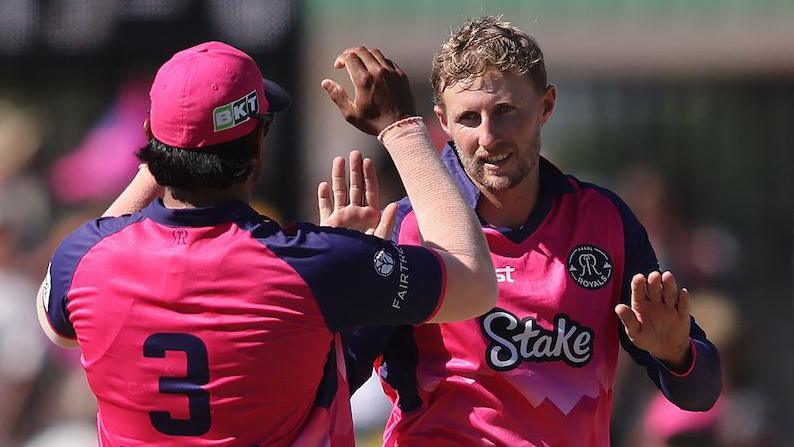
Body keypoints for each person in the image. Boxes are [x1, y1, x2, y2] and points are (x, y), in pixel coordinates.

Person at [36, 41, 497, 446]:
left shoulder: (83, 259)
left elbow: (57, 322)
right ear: (258, 146)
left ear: (151, 139)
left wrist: (167, 149)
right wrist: (402, 129)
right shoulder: (311, 264)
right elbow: (475, 284)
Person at [340, 16, 722, 446]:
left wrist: (675, 353)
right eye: (469, 118)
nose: (488, 137)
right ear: (443, 123)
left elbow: (701, 391)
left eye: (505, 112)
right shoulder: (408, 229)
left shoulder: (605, 220)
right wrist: (332, 288)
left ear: (546, 106)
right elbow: (333, 379)